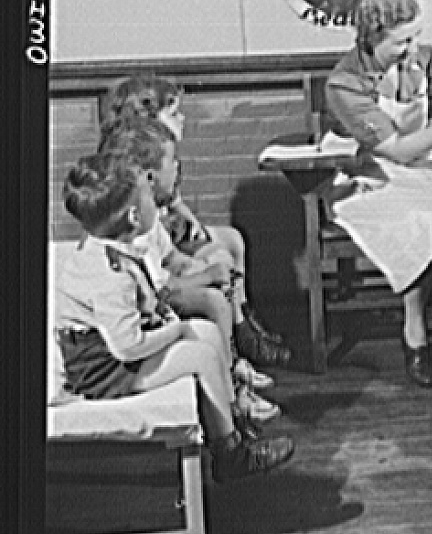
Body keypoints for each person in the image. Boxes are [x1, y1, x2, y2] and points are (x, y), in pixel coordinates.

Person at [56, 151, 295, 482]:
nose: (156, 202)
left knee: (210, 335)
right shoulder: (109, 275)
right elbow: (127, 347)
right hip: (105, 369)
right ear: (133, 217)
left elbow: (141, 307)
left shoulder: (118, 247)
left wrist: (170, 322)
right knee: (200, 354)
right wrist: (177, 330)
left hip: (116, 349)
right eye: (148, 198)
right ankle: (229, 454)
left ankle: (232, 419)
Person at [325, 0, 432, 387]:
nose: (411, 48)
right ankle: (414, 331)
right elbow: (397, 151)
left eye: (414, 37)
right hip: (371, 176)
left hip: (425, 166)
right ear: (372, 37)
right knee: (415, 221)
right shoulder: (344, 84)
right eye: (401, 41)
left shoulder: (426, 60)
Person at [98, 117, 281, 426]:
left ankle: (235, 364)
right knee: (213, 301)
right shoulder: (135, 229)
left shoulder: (152, 217)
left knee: (218, 274)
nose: (179, 167)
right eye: (173, 161)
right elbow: (160, 289)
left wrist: (207, 267)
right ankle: (234, 387)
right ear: (151, 177)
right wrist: (207, 277)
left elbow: (174, 260)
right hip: (151, 311)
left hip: (165, 293)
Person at [100, 74, 292, 369]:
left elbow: (173, 201)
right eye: (174, 113)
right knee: (218, 255)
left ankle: (242, 322)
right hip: (155, 255)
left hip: (166, 242)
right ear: (149, 118)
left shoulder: (162, 154)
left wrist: (190, 221)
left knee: (230, 240)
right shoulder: (140, 163)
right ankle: (238, 345)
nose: (183, 118)